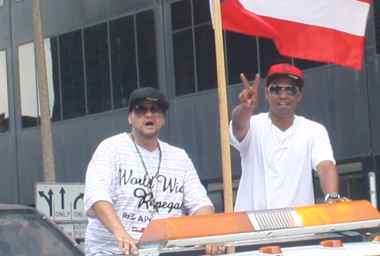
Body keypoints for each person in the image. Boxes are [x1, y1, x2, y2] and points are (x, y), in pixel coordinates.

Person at [84, 87, 224, 256]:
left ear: (163, 119)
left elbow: (200, 203)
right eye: (140, 109)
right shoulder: (111, 149)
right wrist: (120, 232)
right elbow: (97, 196)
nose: (149, 115)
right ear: (130, 117)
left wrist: (210, 230)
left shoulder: (179, 158)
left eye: (156, 110)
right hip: (111, 252)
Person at [229, 63, 349, 211]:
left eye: (291, 90)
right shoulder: (253, 125)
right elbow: (238, 125)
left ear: (299, 95)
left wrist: (332, 196)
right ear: (267, 93)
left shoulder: (313, 130)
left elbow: (325, 165)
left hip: (298, 228)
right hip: (253, 228)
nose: (283, 95)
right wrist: (246, 108)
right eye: (276, 90)